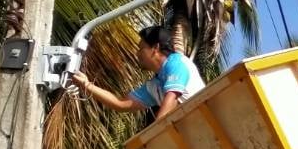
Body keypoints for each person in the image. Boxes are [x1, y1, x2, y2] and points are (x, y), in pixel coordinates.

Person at [70, 24, 204, 122]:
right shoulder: (154, 85)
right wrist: (86, 85)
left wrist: (154, 135)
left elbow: (172, 99)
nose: (137, 54)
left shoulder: (177, 62)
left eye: (141, 49)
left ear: (155, 48)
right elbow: (121, 104)